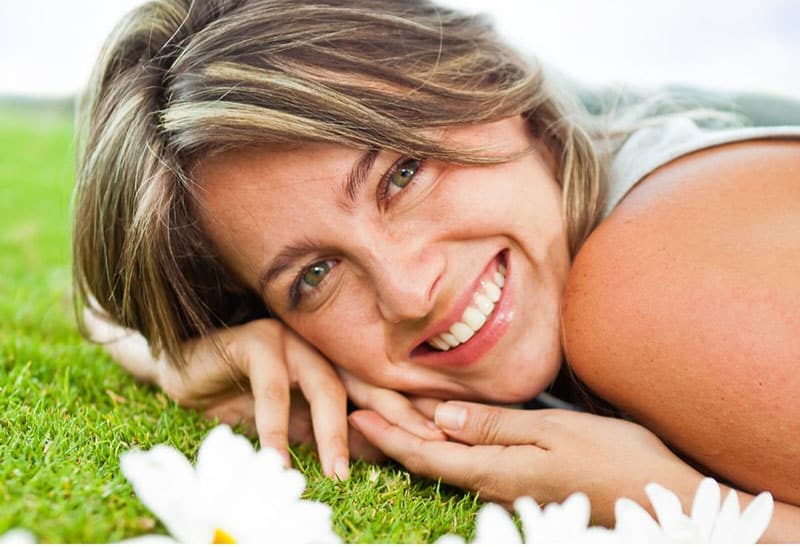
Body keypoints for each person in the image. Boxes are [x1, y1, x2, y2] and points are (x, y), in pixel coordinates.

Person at [73, 0, 800, 539]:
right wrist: (178, 357)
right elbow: (99, 317)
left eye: (403, 173)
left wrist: (673, 502)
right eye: (316, 275)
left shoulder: (635, 292)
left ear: (490, 80)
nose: (409, 290)